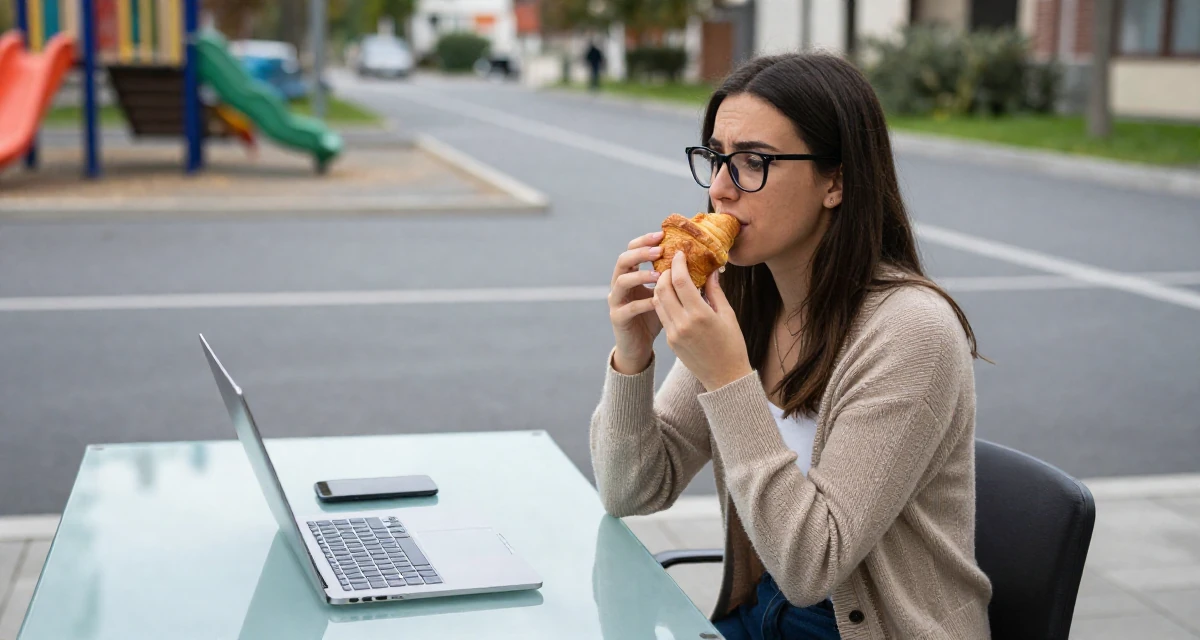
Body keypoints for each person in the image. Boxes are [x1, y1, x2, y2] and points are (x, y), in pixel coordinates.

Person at [591, 52, 993, 640]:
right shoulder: (748, 304)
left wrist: (728, 379)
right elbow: (631, 489)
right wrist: (633, 356)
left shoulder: (911, 332)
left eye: (753, 162)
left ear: (836, 181)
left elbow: (811, 567)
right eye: (715, 159)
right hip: (758, 614)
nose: (722, 190)